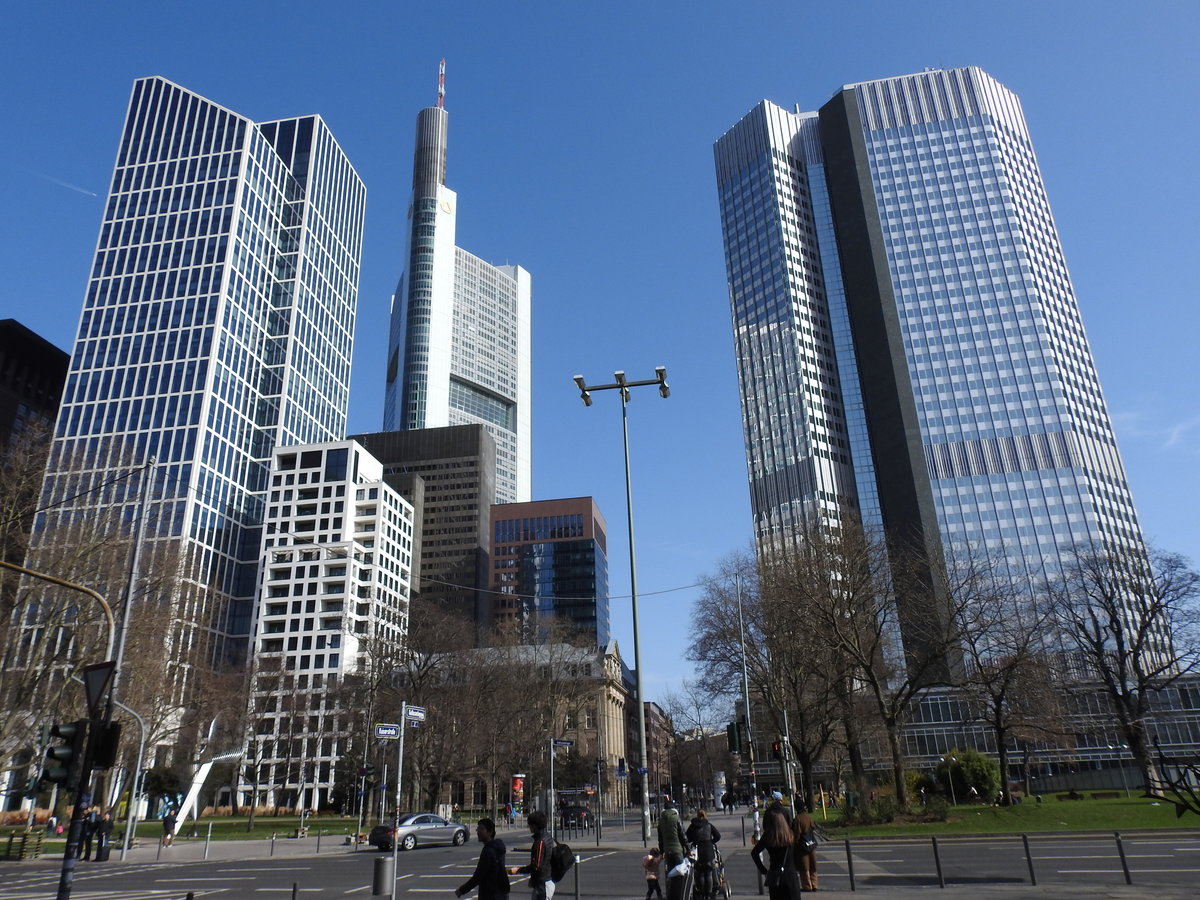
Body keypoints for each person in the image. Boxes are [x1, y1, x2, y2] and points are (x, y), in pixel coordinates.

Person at [751, 808, 801, 900]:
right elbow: (797, 852)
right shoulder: (790, 834)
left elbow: (754, 853)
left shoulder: (768, 836)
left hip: (775, 875)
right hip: (790, 875)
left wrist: (763, 870)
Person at [456, 818, 509, 899]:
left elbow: (478, 876)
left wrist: (462, 890)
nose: (478, 832)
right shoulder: (498, 848)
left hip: (490, 894)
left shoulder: (488, 851)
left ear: (490, 832)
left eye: (482, 829)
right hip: (501, 892)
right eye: (478, 829)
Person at [508, 809, 554, 899]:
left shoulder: (540, 842)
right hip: (546, 880)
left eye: (530, 824)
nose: (529, 826)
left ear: (535, 826)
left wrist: (518, 870)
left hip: (542, 883)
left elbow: (537, 866)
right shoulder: (547, 837)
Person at [686, 809, 721, 900]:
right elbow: (718, 836)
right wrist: (711, 842)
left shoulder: (692, 826)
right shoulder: (709, 825)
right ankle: (709, 894)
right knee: (708, 873)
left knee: (700, 873)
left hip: (698, 851)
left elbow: (687, 838)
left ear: (697, 816)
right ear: (705, 816)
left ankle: (702, 893)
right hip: (708, 850)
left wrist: (693, 841)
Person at [656, 797, 688, 873]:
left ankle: (669, 884)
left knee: (669, 873)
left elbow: (660, 839)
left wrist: (662, 851)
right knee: (680, 872)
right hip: (677, 850)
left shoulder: (661, 821)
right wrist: (688, 848)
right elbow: (682, 835)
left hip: (667, 851)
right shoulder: (676, 819)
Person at [791, 808, 819, 892]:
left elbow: (797, 833)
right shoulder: (808, 817)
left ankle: (807, 886)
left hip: (802, 846)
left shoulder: (797, 819)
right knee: (813, 865)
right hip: (811, 844)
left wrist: (794, 843)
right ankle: (814, 884)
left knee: (804, 866)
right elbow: (813, 827)